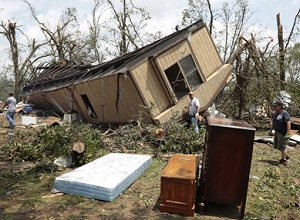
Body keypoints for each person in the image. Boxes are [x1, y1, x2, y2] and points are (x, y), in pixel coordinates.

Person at [270, 100, 291, 166]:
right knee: (278, 146)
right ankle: (286, 156)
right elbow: (273, 121)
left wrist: (288, 132)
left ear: (280, 106)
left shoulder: (284, 113)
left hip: (282, 133)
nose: (274, 107)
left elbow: (288, 122)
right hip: (277, 132)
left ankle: (284, 160)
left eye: (276, 106)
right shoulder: (276, 113)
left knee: (282, 147)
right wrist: (271, 129)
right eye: (274, 106)